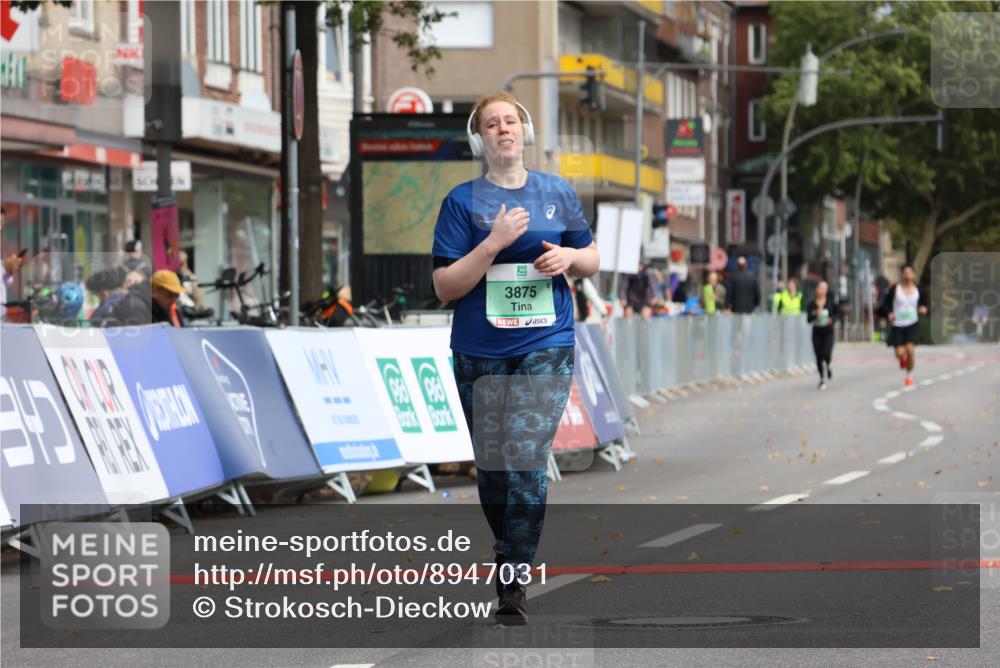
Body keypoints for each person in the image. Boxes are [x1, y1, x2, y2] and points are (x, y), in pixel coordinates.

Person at [431, 91, 599, 625]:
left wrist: (570, 256)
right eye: (492, 123)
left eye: (511, 121)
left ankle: (512, 581)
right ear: (479, 138)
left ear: (524, 132)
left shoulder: (557, 192)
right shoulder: (462, 202)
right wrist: (493, 243)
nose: (503, 129)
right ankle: (508, 548)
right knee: (495, 471)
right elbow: (444, 286)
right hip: (478, 350)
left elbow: (591, 256)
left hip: (544, 344)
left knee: (526, 462)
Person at [878, 264, 928, 387]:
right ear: (901, 274)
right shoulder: (895, 289)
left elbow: (925, 304)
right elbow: (884, 305)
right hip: (898, 325)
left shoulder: (918, 289)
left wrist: (924, 308)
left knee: (910, 350)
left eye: (910, 273)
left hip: (912, 324)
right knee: (900, 352)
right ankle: (902, 358)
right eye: (905, 273)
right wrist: (888, 314)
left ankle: (909, 376)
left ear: (914, 275)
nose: (907, 275)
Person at [807, 281, 836, 389]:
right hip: (817, 332)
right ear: (817, 289)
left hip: (828, 332)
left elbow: (837, 314)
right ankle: (821, 379)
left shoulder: (830, 302)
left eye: (825, 288)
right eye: (821, 288)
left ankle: (828, 365)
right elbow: (808, 319)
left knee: (826, 354)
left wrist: (831, 319)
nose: (822, 290)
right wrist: (816, 314)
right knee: (818, 357)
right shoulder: (812, 304)